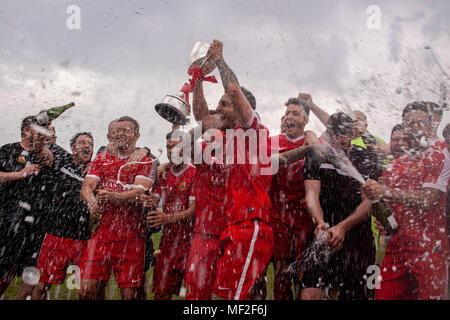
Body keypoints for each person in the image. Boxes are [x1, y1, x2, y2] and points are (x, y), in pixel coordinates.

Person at [185, 40, 274, 300]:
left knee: (232, 299)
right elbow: (202, 118)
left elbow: (233, 88)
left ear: (239, 106)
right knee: (228, 296)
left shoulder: (253, 132)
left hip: (252, 224)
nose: (218, 109)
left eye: (224, 104)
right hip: (235, 225)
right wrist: (198, 80)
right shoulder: (225, 139)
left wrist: (220, 60)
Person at [363, 101, 450, 300]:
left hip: (430, 248)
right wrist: (381, 210)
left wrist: (385, 191)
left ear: (430, 127)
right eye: (409, 123)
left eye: (420, 123)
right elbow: (390, 211)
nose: (414, 127)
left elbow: (428, 199)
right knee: (383, 296)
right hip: (397, 249)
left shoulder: (440, 157)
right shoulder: (395, 166)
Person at [300, 112, 381, 300]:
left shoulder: (368, 157)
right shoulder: (318, 153)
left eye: (344, 134)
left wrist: (343, 227)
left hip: (358, 238)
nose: (339, 140)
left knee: (357, 295)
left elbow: (368, 202)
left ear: (353, 133)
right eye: (335, 134)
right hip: (323, 234)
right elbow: (312, 194)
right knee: (310, 292)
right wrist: (320, 222)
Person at [79, 116, 155, 300]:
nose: (121, 134)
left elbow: (138, 192)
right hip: (102, 235)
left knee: (130, 295)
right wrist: (92, 201)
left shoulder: (145, 161)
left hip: (131, 236)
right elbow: (87, 187)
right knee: (86, 289)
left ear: (136, 136)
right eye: (118, 130)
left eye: (126, 131)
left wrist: (112, 196)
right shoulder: (101, 158)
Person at [32, 132, 94, 300]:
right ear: (73, 148)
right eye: (82, 143)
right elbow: (39, 149)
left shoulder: (96, 170)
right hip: (57, 234)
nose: (87, 146)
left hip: (84, 238)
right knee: (42, 284)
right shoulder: (62, 162)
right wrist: (40, 132)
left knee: (86, 289)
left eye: (90, 143)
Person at [268, 97, 317, 300]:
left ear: (305, 120)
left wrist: (311, 137)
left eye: (295, 113)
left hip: (305, 218)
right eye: (287, 113)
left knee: (304, 275)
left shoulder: (314, 141)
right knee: (281, 273)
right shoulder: (271, 143)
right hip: (278, 217)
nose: (289, 117)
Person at [0, 116, 54, 299]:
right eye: (38, 129)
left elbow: (48, 160)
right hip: (8, 216)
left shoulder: (45, 152)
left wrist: (41, 139)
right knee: (4, 268)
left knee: (31, 274)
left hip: (37, 221)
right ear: (26, 130)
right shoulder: (8, 150)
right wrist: (19, 174)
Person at [143, 130, 196, 300]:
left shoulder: (194, 173)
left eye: (176, 146)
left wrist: (167, 218)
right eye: (168, 147)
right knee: (161, 294)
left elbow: (194, 210)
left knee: (194, 295)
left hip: (191, 244)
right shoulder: (163, 175)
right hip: (167, 243)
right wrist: (146, 199)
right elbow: (153, 200)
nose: (172, 150)